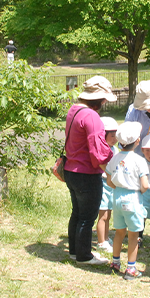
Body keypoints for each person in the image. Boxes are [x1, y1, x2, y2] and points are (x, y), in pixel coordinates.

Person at [64, 76, 116, 266]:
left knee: (77, 213)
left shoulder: (74, 110)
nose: (104, 102)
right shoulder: (92, 116)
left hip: (71, 170)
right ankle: (84, 256)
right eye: (103, 99)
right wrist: (110, 173)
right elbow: (98, 151)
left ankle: (74, 250)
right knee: (87, 217)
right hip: (87, 174)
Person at [106, 122, 148, 280]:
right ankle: (131, 268)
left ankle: (115, 262)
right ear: (137, 141)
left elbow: (109, 180)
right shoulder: (139, 160)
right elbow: (144, 185)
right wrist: (142, 190)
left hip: (117, 197)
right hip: (133, 198)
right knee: (133, 235)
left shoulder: (115, 157)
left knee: (119, 232)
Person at [96, 116, 119, 254]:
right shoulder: (102, 150)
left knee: (108, 214)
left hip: (111, 185)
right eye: (112, 135)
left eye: (116, 135)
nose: (115, 138)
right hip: (104, 184)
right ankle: (101, 242)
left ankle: (105, 237)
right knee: (103, 215)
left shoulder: (114, 149)